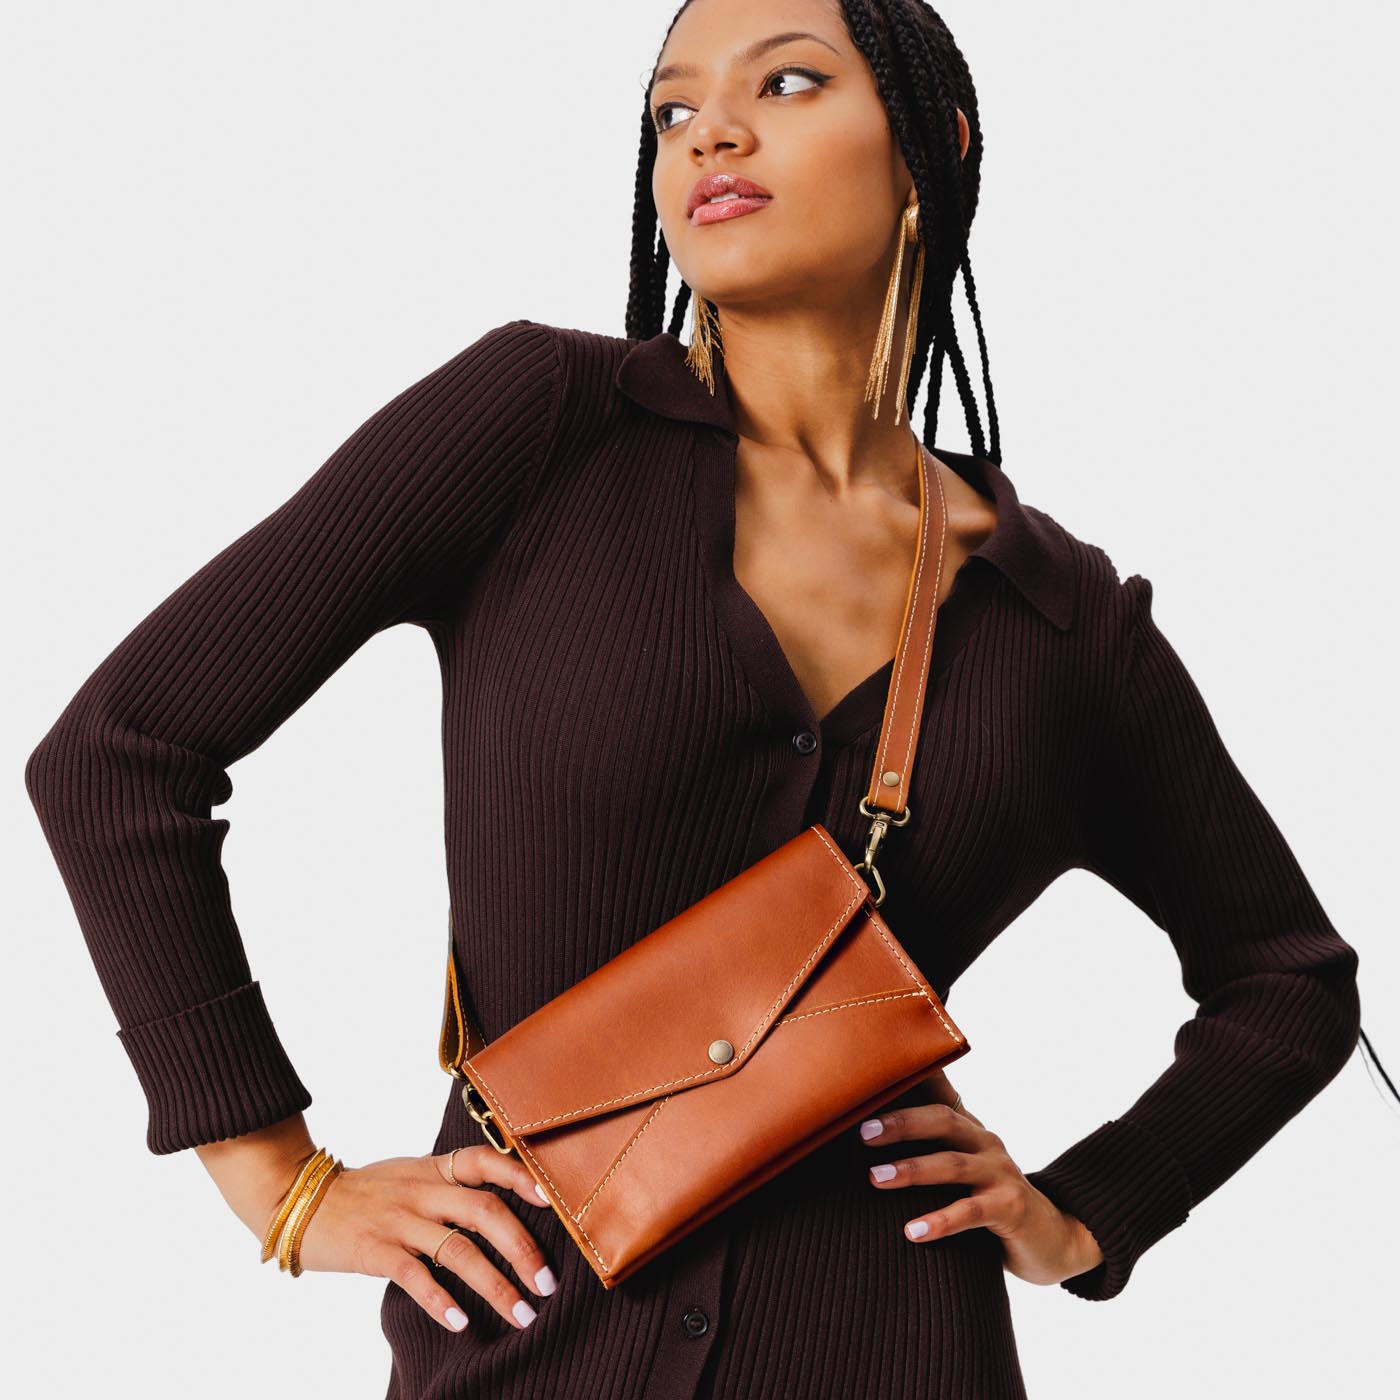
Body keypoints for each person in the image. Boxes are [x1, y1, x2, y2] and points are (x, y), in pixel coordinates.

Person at [23, 1, 1369, 1397]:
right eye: (673, 109)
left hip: (893, 1352)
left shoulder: (1060, 616)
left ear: (936, 146)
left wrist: (1080, 1214)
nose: (711, 132)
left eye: (786, 83)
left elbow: (1289, 980)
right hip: (521, 1342)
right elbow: (119, 755)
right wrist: (278, 1179)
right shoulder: (539, 425)